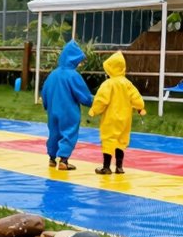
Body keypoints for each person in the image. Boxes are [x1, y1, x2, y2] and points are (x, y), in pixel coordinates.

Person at [89, 51, 146, 175]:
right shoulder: (128, 84)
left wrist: (94, 110)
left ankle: (106, 166)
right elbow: (137, 99)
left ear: (110, 68)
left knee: (109, 140)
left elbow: (101, 99)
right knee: (121, 140)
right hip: (125, 119)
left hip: (111, 119)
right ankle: (119, 167)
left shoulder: (108, 84)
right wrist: (140, 107)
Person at [40, 40, 94, 170]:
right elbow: (83, 95)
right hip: (68, 111)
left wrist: (46, 105)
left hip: (52, 111)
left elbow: (45, 92)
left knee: (54, 133)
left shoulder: (53, 74)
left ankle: (52, 159)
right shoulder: (73, 75)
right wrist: (96, 102)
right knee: (68, 132)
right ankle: (64, 160)